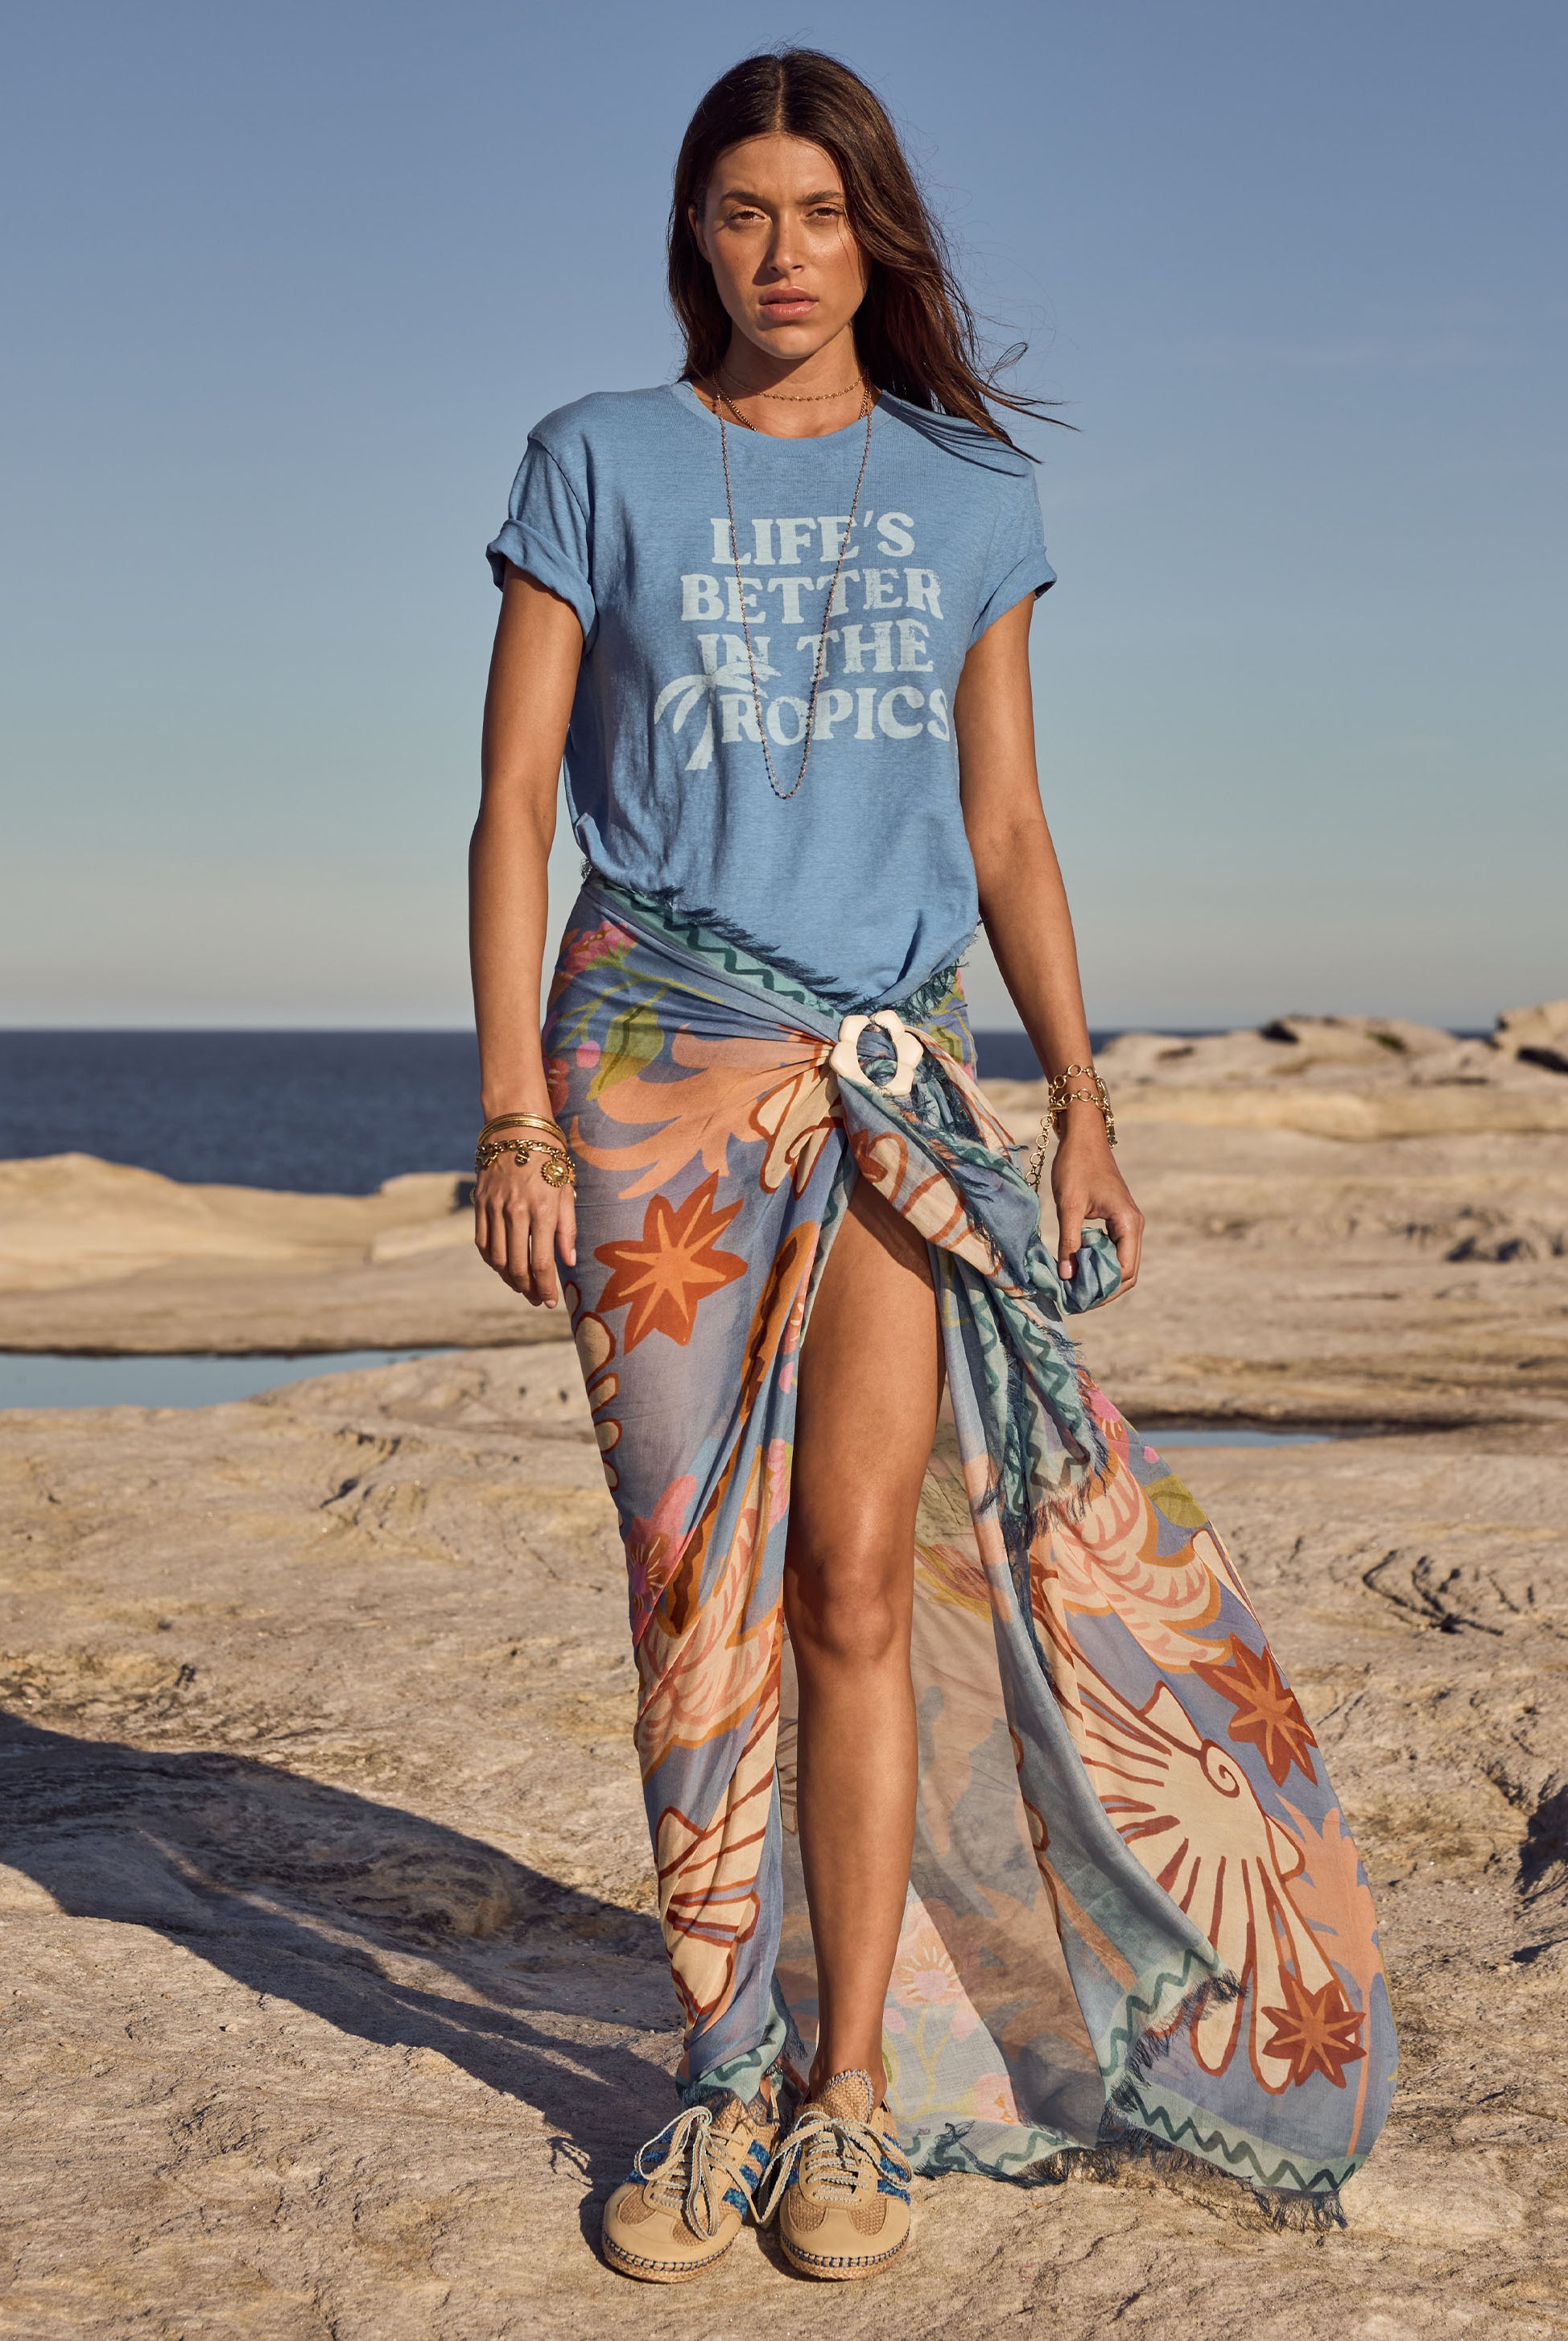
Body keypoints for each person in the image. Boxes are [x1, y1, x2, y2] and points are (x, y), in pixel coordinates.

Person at [469, 47, 1394, 2287]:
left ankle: (850, 2094)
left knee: (856, 1581)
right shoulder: (593, 459)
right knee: (692, 1590)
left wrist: (1081, 1098)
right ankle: (719, 2076)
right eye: (740, 210)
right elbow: (510, 806)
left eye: (818, 211)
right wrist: (508, 1109)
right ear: (693, 234)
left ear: (874, 234)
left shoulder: (973, 492)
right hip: (649, 1069)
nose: (780, 253)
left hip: (894, 1079)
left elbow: (1006, 823)